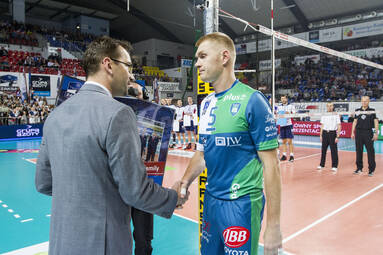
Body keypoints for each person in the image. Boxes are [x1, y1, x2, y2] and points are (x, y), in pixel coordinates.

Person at [35, 36, 187, 255]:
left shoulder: (55, 115)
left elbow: (43, 183)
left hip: (62, 242)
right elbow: (134, 191)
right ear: (108, 64)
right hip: (102, 244)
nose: (132, 75)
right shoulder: (118, 114)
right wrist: (173, 198)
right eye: (128, 66)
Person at [178, 32, 282, 255]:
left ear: (224, 57)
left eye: (202, 56)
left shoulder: (252, 100)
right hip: (211, 201)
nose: (197, 64)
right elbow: (202, 152)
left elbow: (272, 166)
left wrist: (273, 225)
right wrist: (184, 182)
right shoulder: (205, 104)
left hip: (241, 204)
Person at [351, 96, 379, 176]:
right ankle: (359, 168)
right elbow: (355, 122)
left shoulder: (372, 111)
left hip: (368, 132)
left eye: (366, 101)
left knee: (370, 152)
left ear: (369, 101)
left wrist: (376, 133)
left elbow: (376, 122)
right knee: (358, 151)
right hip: (359, 133)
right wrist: (352, 132)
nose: (364, 102)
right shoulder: (357, 111)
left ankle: (371, 170)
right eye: (363, 101)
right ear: (361, 101)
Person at [317, 103, 341, 172]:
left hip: (332, 133)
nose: (329, 107)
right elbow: (322, 125)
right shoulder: (324, 114)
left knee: (334, 151)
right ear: (326, 107)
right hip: (325, 133)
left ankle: (334, 166)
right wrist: (321, 135)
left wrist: (337, 136)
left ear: (333, 106)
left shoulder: (336, 114)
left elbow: (339, 126)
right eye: (328, 106)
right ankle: (322, 164)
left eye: (331, 106)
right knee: (323, 150)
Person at [276, 95, 296, 162]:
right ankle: (284, 155)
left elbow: (294, 114)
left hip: (288, 125)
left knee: (290, 141)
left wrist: (289, 113)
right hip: (282, 125)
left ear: (286, 99)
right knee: (283, 141)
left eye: (284, 98)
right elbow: (277, 114)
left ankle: (291, 156)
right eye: (281, 98)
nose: (283, 100)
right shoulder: (279, 106)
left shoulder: (291, 106)